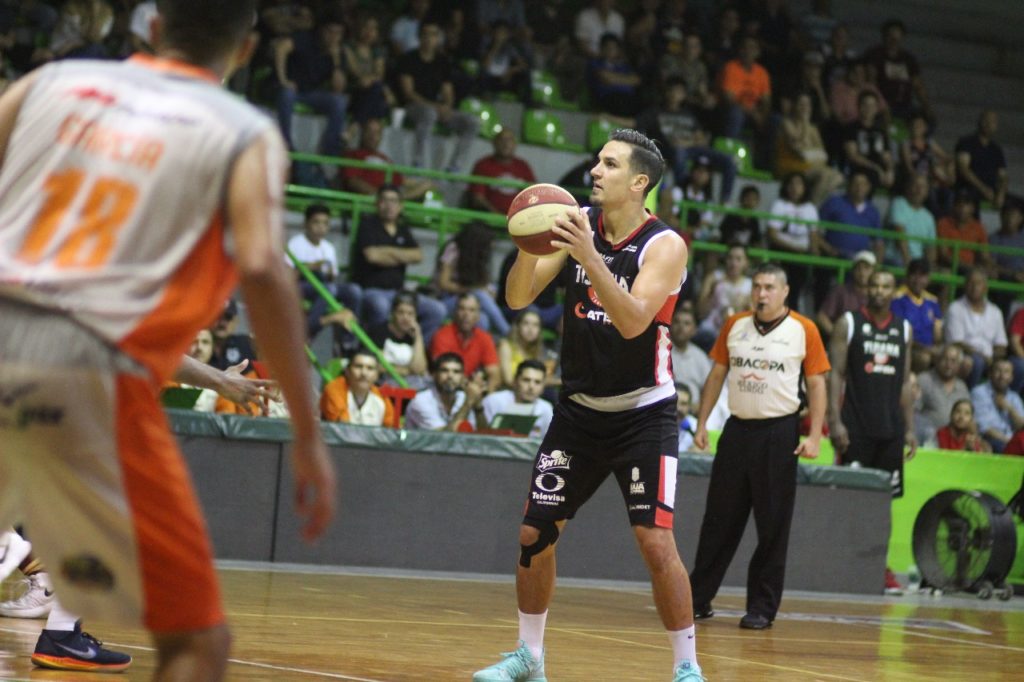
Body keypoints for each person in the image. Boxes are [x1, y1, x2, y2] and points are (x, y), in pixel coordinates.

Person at [0, 5, 336, 680]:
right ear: (245, 51)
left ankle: (27, 567)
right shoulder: (242, 131)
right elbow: (266, 271)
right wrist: (305, 432)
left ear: (151, 30)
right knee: (196, 645)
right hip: (86, 368)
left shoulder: (49, 83)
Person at [474, 129, 704, 681]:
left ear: (639, 182)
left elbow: (631, 322)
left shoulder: (664, 245)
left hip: (644, 413)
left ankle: (687, 668)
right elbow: (516, 298)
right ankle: (530, 656)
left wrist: (587, 254)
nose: (595, 171)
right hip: (578, 411)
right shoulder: (575, 220)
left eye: (609, 164)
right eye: (597, 161)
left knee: (655, 541)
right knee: (535, 533)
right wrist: (530, 243)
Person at [690, 263, 829, 630]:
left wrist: (814, 435)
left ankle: (761, 608)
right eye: (756, 287)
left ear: (784, 292)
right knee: (718, 519)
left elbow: (816, 384)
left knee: (772, 525)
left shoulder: (805, 329)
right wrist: (702, 423)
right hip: (736, 432)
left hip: (779, 433)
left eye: (769, 287)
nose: (761, 294)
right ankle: (697, 598)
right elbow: (717, 374)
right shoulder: (734, 325)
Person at [828, 270, 916, 593]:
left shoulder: (903, 329)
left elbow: (906, 382)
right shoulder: (848, 323)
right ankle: (842, 563)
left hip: (891, 429)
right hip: (855, 428)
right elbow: (835, 374)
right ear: (866, 289)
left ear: (895, 291)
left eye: (886, 285)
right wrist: (834, 421)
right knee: (849, 501)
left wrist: (909, 429)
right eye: (874, 285)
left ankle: (880, 568)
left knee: (884, 505)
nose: (879, 290)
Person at [350, 184, 446, 338]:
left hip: (399, 293)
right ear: (377, 203)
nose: (389, 205)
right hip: (371, 290)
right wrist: (401, 256)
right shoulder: (368, 225)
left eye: (394, 201)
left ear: (400, 206)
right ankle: (378, 349)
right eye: (385, 200)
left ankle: (416, 350)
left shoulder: (403, 229)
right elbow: (372, 256)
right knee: (380, 306)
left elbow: (417, 256)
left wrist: (386, 251)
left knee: (437, 309)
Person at [395, 20, 480, 171]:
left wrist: (447, 107)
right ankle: (418, 161)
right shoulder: (408, 59)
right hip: (413, 107)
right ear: (419, 36)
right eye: (425, 34)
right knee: (429, 114)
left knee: (472, 122)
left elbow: (448, 91)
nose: (429, 38)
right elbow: (408, 93)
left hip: (437, 108)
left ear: (438, 39)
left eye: (433, 35)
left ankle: (455, 165)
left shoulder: (443, 61)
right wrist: (435, 107)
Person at [286, 203, 363, 348]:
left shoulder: (328, 247)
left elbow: (332, 277)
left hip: (324, 284)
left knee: (354, 290)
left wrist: (326, 273)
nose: (321, 227)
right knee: (329, 290)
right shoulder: (295, 244)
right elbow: (288, 277)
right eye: (316, 222)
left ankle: (348, 339)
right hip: (301, 286)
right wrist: (311, 267)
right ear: (306, 223)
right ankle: (309, 328)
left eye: (325, 223)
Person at [273, 13, 349, 158]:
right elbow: (281, 48)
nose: (333, 36)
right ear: (321, 30)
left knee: (339, 101)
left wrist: (336, 61)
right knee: (287, 94)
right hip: (289, 88)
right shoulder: (307, 38)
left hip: (311, 93)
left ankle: (330, 148)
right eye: (330, 31)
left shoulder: (338, 53)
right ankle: (285, 143)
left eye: (338, 33)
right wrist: (283, 79)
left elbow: (338, 89)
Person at [434, 222, 510, 336]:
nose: (492, 245)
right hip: (447, 300)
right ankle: (509, 334)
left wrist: (488, 291)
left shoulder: (479, 256)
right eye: (489, 242)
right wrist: (469, 290)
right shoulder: (454, 249)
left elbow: (482, 284)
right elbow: (443, 283)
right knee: (478, 293)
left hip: (471, 301)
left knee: (483, 320)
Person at [944, 267, 1007, 388]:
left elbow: (1001, 345)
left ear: (985, 287)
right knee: (976, 362)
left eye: (978, 283)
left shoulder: (995, 311)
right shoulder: (955, 308)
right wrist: (982, 356)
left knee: (1015, 366)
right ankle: (968, 396)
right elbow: (956, 342)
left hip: (990, 359)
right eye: (971, 283)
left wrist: (994, 359)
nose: (974, 287)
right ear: (965, 286)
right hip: (964, 357)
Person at [340, 118, 433, 200]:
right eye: (369, 131)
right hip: (367, 202)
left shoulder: (385, 159)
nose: (373, 136)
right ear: (362, 133)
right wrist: (382, 197)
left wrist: (425, 184)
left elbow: (401, 180)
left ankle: (396, 200)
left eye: (377, 133)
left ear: (381, 136)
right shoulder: (352, 155)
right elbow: (353, 182)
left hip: (389, 200)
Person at [430, 291, 501, 392]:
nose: (466, 314)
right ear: (455, 312)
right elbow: (445, 371)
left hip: (472, 389)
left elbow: (494, 372)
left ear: (478, 315)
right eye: (462, 309)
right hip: (445, 388)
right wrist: (472, 385)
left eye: (471, 310)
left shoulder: (484, 337)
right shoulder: (442, 335)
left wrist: (488, 394)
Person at [405, 352, 486, 431]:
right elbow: (443, 438)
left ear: (463, 377)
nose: (450, 376)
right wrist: (468, 403)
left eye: (456, 372)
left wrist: (478, 407)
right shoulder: (421, 401)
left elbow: (484, 437)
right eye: (444, 370)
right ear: (434, 375)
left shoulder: (463, 397)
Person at [695, 243, 752, 352]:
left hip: (737, 333)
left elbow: (754, 318)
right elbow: (699, 311)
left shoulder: (750, 285)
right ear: (725, 260)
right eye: (730, 258)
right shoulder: (713, 278)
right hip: (710, 332)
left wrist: (746, 304)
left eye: (738, 259)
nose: (733, 263)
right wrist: (712, 293)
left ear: (746, 263)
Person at [367, 291, 430, 389]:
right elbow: (378, 366)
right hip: (384, 385)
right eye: (401, 312)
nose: (405, 318)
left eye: (410, 314)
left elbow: (419, 369)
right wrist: (408, 371)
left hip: (410, 387)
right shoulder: (380, 331)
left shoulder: (414, 337)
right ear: (393, 313)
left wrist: (418, 337)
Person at [467, 128, 537, 215]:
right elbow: (478, 198)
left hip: (518, 220)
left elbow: (535, 195)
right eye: (502, 139)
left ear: (515, 144)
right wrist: (498, 216)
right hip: (487, 219)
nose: (506, 143)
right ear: (494, 143)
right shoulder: (483, 165)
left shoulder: (523, 166)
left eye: (509, 140)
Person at [481, 359, 554, 438]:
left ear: (543, 387)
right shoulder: (493, 401)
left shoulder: (546, 409)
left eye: (537, 382)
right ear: (515, 381)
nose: (531, 387)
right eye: (526, 380)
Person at [819, 171, 883, 262]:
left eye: (863, 184)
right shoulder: (834, 202)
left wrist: (876, 265)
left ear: (869, 187)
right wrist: (828, 249)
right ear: (849, 185)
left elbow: (879, 243)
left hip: (861, 260)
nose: (859, 187)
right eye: (855, 183)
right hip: (835, 257)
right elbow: (815, 230)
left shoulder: (873, 211)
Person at [892, 258, 943, 370]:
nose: (917, 280)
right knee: (924, 358)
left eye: (922, 276)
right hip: (907, 348)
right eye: (914, 275)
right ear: (907, 276)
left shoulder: (932, 301)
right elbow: (900, 335)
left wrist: (937, 348)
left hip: (930, 350)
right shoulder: (898, 299)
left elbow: (938, 334)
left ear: (928, 278)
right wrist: (927, 349)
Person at [320, 350, 395, 425]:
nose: (364, 373)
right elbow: (343, 428)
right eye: (358, 366)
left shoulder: (382, 399)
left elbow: (391, 430)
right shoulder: (334, 390)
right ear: (347, 371)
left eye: (370, 368)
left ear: (377, 375)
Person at [917, 345, 971, 444]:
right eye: (945, 359)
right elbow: (913, 412)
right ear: (937, 360)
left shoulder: (962, 386)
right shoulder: (924, 380)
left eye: (953, 361)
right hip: (927, 439)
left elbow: (968, 416)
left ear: (959, 365)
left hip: (953, 441)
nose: (948, 364)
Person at [841, 90, 895, 191]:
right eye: (865, 105)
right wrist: (876, 168)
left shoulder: (880, 130)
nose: (868, 109)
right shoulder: (851, 128)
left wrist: (890, 170)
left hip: (879, 167)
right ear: (859, 107)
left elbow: (886, 154)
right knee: (871, 176)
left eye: (872, 106)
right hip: (860, 167)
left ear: (876, 109)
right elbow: (853, 156)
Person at [816, 250, 875, 340]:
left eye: (866, 268)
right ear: (853, 270)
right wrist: (837, 337)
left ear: (874, 271)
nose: (862, 272)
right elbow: (822, 316)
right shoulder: (841, 291)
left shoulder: (878, 295)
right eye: (858, 268)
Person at [955, 109, 1008, 209]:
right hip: (970, 190)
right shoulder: (966, 142)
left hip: (991, 193)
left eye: (993, 122)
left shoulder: (996, 149)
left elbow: (1003, 176)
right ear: (980, 122)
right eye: (986, 120)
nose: (988, 124)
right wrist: (983, 189)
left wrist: (1001, 193)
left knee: (1015, 206)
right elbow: (963, 169)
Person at [971, 358, 1024, 453]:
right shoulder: (979, 393)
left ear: (1011, 377)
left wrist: (1010, 409)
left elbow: (1021, 427)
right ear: (990, 374)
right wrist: (1010, 442)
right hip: (990, 440)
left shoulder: (1014, 397)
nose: (1002, 376)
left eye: (1006, 372)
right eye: (998, 370)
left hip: (1012, 441)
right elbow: (985, 429)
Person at [885, 173, 936, 268]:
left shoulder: (929, 217)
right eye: (915, 185)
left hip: (917, 264)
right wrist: (909, 265)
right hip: (896, 259)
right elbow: (900, 235)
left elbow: (931, 248)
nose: (919, 189)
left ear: (927, 191)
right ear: (908, 187)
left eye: (923, 187)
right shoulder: (898, 203)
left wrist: (929, 268)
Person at [670, 306, 712, 409]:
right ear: (670, 325)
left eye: (686, 324)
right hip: (666, 409)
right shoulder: (661, 352)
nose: (681, 327)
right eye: (677, 322)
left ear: (694, 330)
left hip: (693, 411)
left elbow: (710, 389)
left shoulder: (700, 357)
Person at [497, 309, 551, 389]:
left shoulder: (538, 350)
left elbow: (541, 378)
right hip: (507, 392)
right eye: (526, 323)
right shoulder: (506, 346)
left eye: (535, 325)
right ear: (517, 326)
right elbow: (508, 380)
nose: (530, 329)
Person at [936, 190, 990, 269]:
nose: (962, 207)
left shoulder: (979, 227)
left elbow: (985, 256)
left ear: (973, 208)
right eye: (959, 203)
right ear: (953, 206)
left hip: (970, 270)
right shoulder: (943, 223)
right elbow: (944, 255)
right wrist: (966, 266)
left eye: (966, 203)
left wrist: (987, 266)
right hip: (948, 267)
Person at [676, 384, 697, 454]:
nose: (678, 408)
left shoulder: (696, 426)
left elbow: (706, 454)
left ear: (690, 406)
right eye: (675, 403)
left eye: (683, 404)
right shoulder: (658, 425)